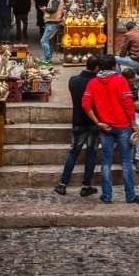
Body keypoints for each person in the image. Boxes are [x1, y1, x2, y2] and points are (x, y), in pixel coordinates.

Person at [81, 55, 139, 204]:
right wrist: (134, 125)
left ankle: (107, 196)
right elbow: (128, 105)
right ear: (113, 66)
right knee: (126, 161)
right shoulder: (120, 81)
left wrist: (97, 122)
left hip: (106, 127)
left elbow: (85, 105)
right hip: (122, 126)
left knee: (106, 162)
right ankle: (130, 196)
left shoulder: (93, 83)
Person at [54, 55, 100, 196]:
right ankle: (86, 186)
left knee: (73, 152)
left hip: (78, 122)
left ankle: (63, 184)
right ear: (97, 68)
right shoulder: (97, 83)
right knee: (91, 153)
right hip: (94, 123)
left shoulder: (73, 81)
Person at [122, 68, 139, 172]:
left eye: (133, 80)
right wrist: (133, 105)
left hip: (134, 112)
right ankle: (126, 157)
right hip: (122, 112)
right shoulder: (119, 85)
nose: (132, 83)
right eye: (130, 81)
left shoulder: (136, 83)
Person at [39, 0, 64, 64]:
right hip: (52, 22)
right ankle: (48, 59)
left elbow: (53, 10)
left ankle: (47, 59)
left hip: (52, 23)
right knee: (49, 41)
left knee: (43, 40)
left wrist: (45, 9)